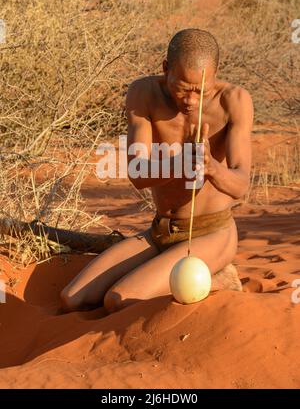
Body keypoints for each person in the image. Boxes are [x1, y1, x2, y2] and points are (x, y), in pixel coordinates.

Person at [60, 28, 253, 314]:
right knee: (72, 298)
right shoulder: (144, 93)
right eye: (183, 88)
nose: (191, 100)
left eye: (201, 90)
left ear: (215, 75)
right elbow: (138, 173)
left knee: (118, 299)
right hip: (161, 230)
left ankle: (218, 278)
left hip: (212, 233)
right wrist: (181, 164)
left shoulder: (234, 101)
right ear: (165, 69)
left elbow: (241, 185)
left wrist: (212, 168)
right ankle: (183, 272)